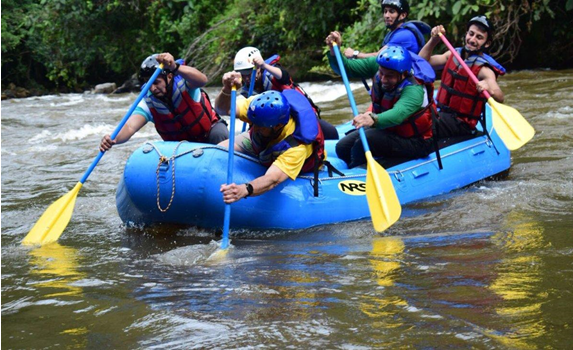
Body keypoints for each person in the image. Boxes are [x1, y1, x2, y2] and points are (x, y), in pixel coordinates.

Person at [326, 32, 435, 168]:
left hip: (416, 141)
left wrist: (373, 119)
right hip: (389, 131)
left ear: (404, 74)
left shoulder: (414, 90)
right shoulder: (379, 64)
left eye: (389, 76)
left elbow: (398, 114)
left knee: (364, 143)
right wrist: (333, 50)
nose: (383, 79)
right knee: (342, 147)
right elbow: (346, 68)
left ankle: (359, 172)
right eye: (381, 73)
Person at [218, 73, 325, 203]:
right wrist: (226, 91)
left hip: (296, 161)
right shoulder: (258, 107)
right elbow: (223, 109)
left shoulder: (298, 147)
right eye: (254, 123)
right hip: (262, 143)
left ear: (278, 126)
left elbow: (272, 180)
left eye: (261, 126)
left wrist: (244, 189)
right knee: (220, 149)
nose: (255, 128)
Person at [100, 53, 228, 152]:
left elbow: (202, 80)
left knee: (219, 134)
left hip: (209, 132)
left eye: (156, 82)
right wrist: (114, 138)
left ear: (169, 76)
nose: (153, 88)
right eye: (149, 84)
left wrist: (174, 67)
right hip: (182, 148)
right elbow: (130, 126)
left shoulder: (185, 84)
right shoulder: (148, 102)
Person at [215, 46, 339, 140]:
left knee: (331, 131)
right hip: (267, 126)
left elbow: (283, 76)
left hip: (293, 118)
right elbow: (228, 109)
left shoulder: (272, 74)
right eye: (243, 74)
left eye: (249, 72)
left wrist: (264, 65)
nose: (246, 77)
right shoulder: (246, 89)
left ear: (258, 68)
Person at [418, 16, 506, 138]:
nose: (472, 39)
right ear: (466, 34)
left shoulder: (484, 69)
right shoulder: (453, 54)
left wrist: (489, 89)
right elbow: (421, 62)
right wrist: (433, 40)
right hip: (442, 112)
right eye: (471, 34)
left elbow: (500, 97)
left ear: (487, 43)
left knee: (419, 123)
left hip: (461, 123)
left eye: (479, 37)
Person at [344, 0, 429, 59]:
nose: (386, 15)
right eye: (385, 11)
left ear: (402, 15)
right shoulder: (395, 32)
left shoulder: (404, 35)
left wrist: (355, 54)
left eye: (391, 12)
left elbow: (379, 55)